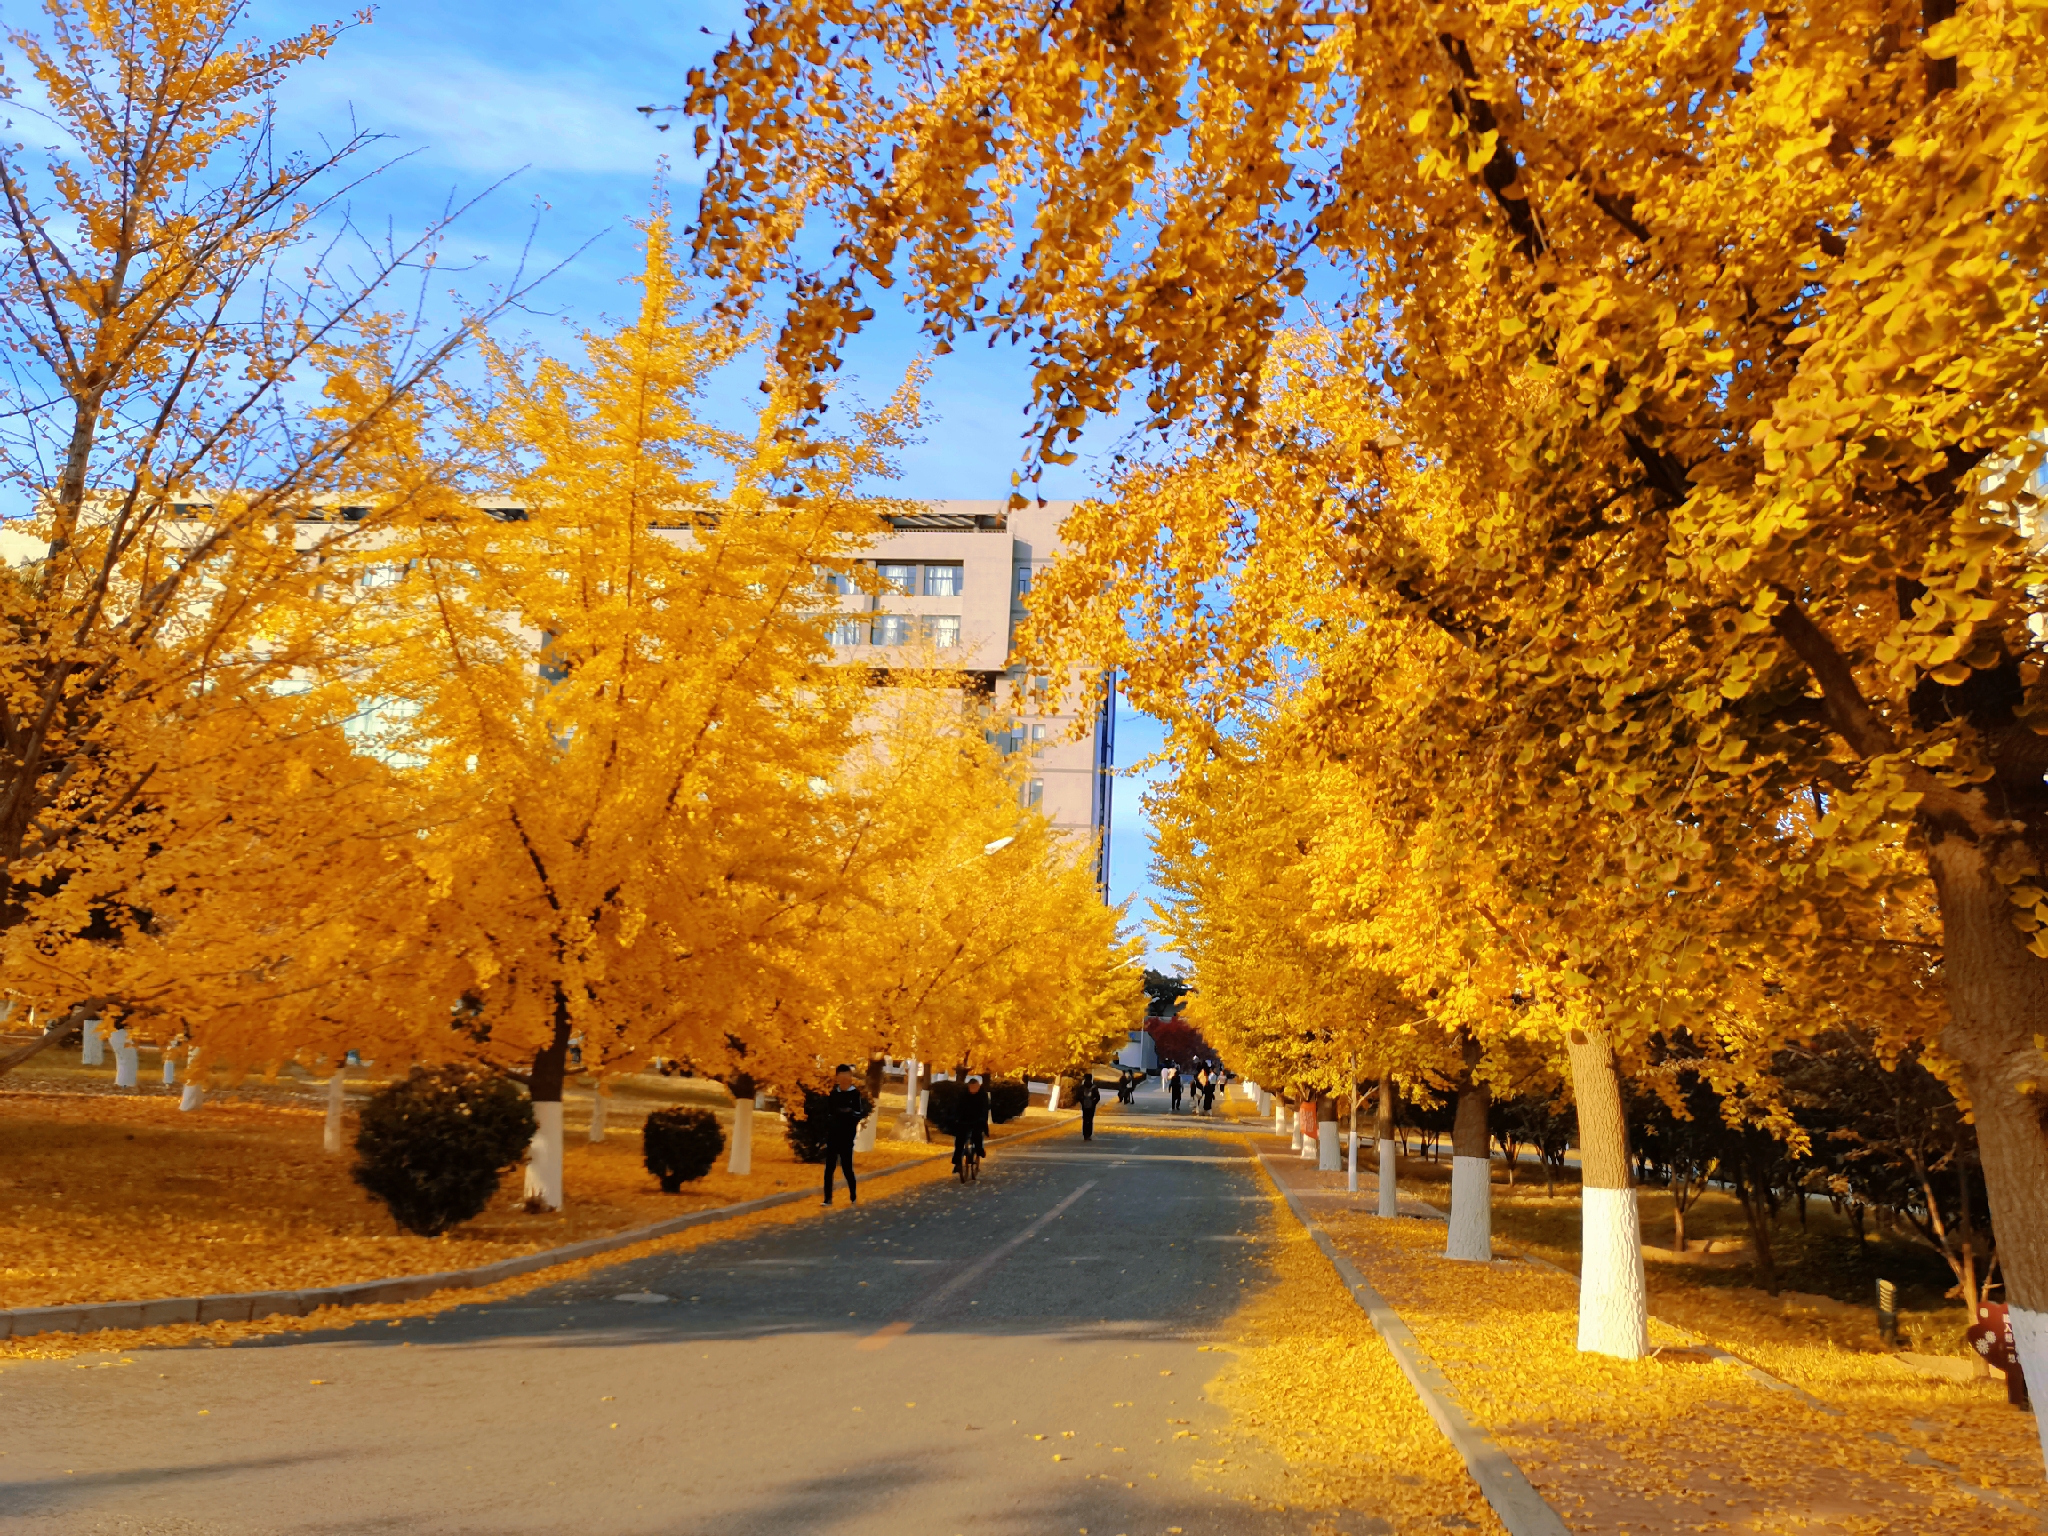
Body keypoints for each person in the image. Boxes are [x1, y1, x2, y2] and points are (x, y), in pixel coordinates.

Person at [821, 1063, 871, 1206]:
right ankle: (827, 1198)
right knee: (829, 1168)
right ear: (837, 1078)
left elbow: (859, 1113)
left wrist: (850, 1113)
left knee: (847, 1168)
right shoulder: (833, 1093)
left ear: (850, 1078)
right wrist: (831, 1119)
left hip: (847, 1136)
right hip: (833, 1135)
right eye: (841, 1076)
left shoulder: (855, 1094)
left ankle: (853, 1196)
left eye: (847, 1076)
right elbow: (828, 1112)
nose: (844, 1079)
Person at [953, 1075, 991, 1176]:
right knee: (959, 1139)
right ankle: (957, 1162)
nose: (973, 1090)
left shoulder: (982, 1095)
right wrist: (956, 1117)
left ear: (979, 1087)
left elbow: (985, 1109)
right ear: (968, 1087)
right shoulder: (963, 1094)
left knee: (977, 1135)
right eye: (971, 1087)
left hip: (978, 1120)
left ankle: (979, 1151)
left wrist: (982, 1119)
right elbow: (957, 1106)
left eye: (975, 1087)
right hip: (964, 1120)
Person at [1076, 1070, 1102, 1140]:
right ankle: (1089, 1134)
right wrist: (1094, 1103)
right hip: (1092, 1106)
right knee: (1090, 1120)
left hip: (1084, 1105)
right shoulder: (1094, 1087)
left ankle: (1085, 1134)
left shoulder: (1082, 1087)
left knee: (1085, 1119)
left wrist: (1082, 1101)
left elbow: (1078, 1096)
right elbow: (1098, 1097)